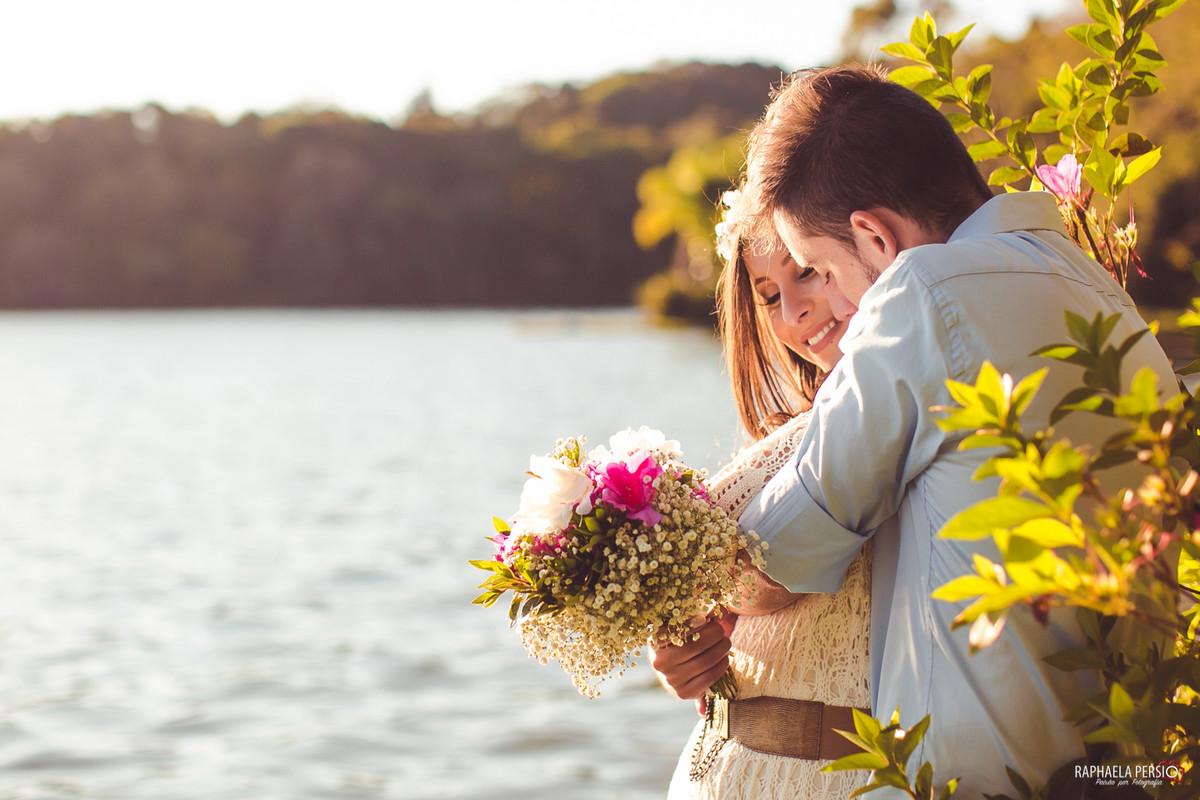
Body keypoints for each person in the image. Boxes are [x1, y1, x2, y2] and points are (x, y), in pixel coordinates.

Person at [730, 63, 1178, 797]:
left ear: (873, 237)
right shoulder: (1093, 282)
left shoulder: (920, 292)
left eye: (819, 269)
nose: (831, 304)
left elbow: (774, 555)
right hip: (1124, 768)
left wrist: (687, 604)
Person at [653, 190, 872, 800]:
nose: (793, 312)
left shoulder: (873, 417)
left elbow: (774, 569)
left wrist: (706, 588)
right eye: (769, 296)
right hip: (723, 767)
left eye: (806, 273)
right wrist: (685, 636)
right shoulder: (806, 431)